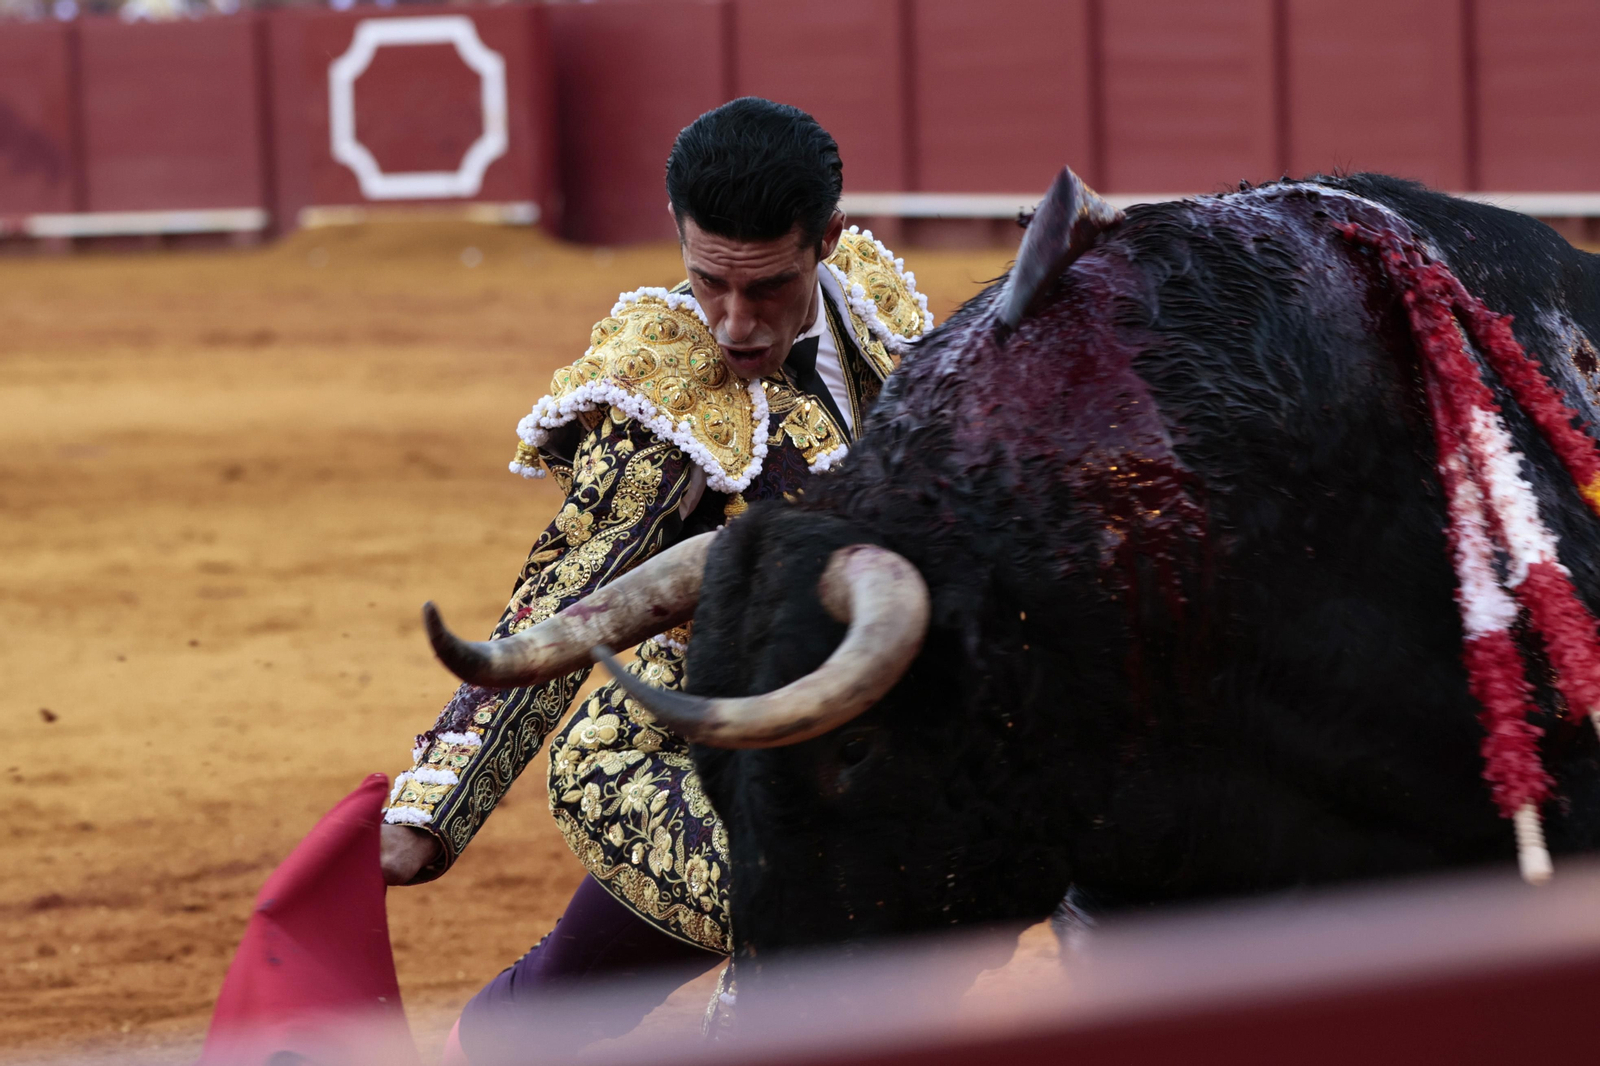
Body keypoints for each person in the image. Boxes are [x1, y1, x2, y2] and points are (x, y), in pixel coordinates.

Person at [378, 96, 932, 1057]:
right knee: (806, 921)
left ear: (828, 243)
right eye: (709, 281)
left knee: (549, 1011)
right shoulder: (660, 391)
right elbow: (566, 603)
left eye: (767, 288)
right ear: (678, 237)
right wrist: (428, 814)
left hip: (858, 746)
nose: (734, 321)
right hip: (677, 748)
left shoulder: (871, 301)